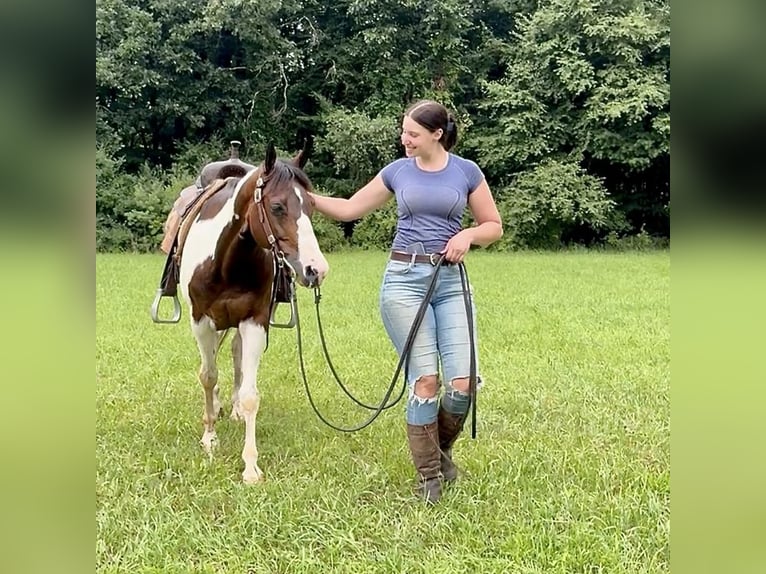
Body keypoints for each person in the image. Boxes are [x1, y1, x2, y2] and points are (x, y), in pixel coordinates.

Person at [310, 100, 503, 504]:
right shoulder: (397, 172)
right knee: (426, 380)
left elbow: (493, 226)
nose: (405, 139)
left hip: (449, 282)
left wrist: (468, 235)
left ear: (436, 134)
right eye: (404, 131)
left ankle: (440, 451)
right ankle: (430, 478)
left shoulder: (466, 171)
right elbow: (348, 209)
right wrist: (305, 196)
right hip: (403, 281)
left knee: (464, 383)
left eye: (413, 133)